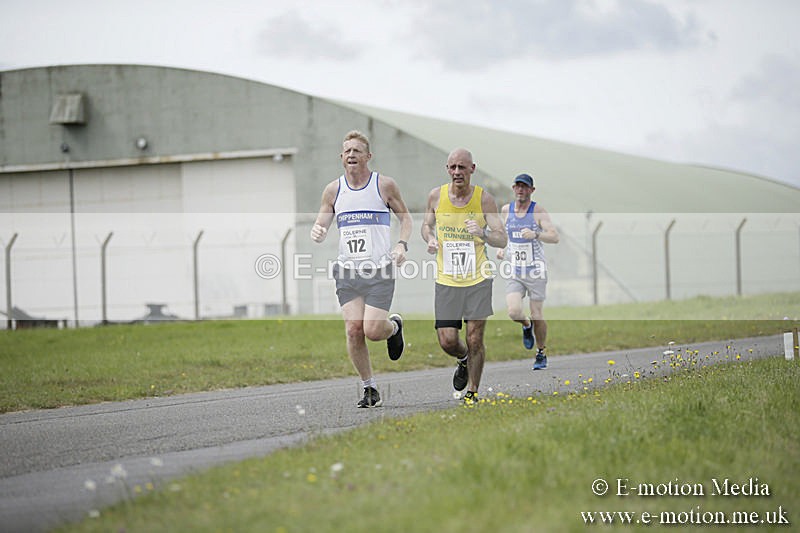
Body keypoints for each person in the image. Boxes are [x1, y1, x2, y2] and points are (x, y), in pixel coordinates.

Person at [310, 130, 413, 408]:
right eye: (347, 151)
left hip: (379, 270)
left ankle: (394, 327)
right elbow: (322, 222)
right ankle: (370, 388)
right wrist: (318, 231)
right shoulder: (333, 190)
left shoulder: (384, 185)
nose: (351, 155)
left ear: (368, 156)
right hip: (348, 271)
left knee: (373, 331)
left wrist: (401, 245)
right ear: (341, 157)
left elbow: (406, 219)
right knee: (354, 329)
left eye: (357, 150)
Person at [421, 148, 507, 404]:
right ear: (447, 169)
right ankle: (463, 358)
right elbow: (426, 225)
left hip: (478, 278)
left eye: (462, 167)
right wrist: (430, 239)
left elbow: (502, 238)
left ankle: (472, 391)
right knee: (448, 341)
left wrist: (483, 233)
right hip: (447, 279)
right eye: (453, 167)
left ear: (472, 169)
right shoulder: (436, 196)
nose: (457, 172)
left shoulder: (484, 200)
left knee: (474, 338)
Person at [496, 173, 559, 370]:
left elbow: (554, 236)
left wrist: (536, 234)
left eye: (524, 187)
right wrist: (502, 248)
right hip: (515, 270)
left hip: (535, 271)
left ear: (532, 190)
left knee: (536, 313)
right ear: (513, 188)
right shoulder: (506, 210)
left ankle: (541, 352)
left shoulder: (538, 211)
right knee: (514, 311)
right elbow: (506, 234)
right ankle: (526, 325)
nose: (521, 190)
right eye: (518, 186)